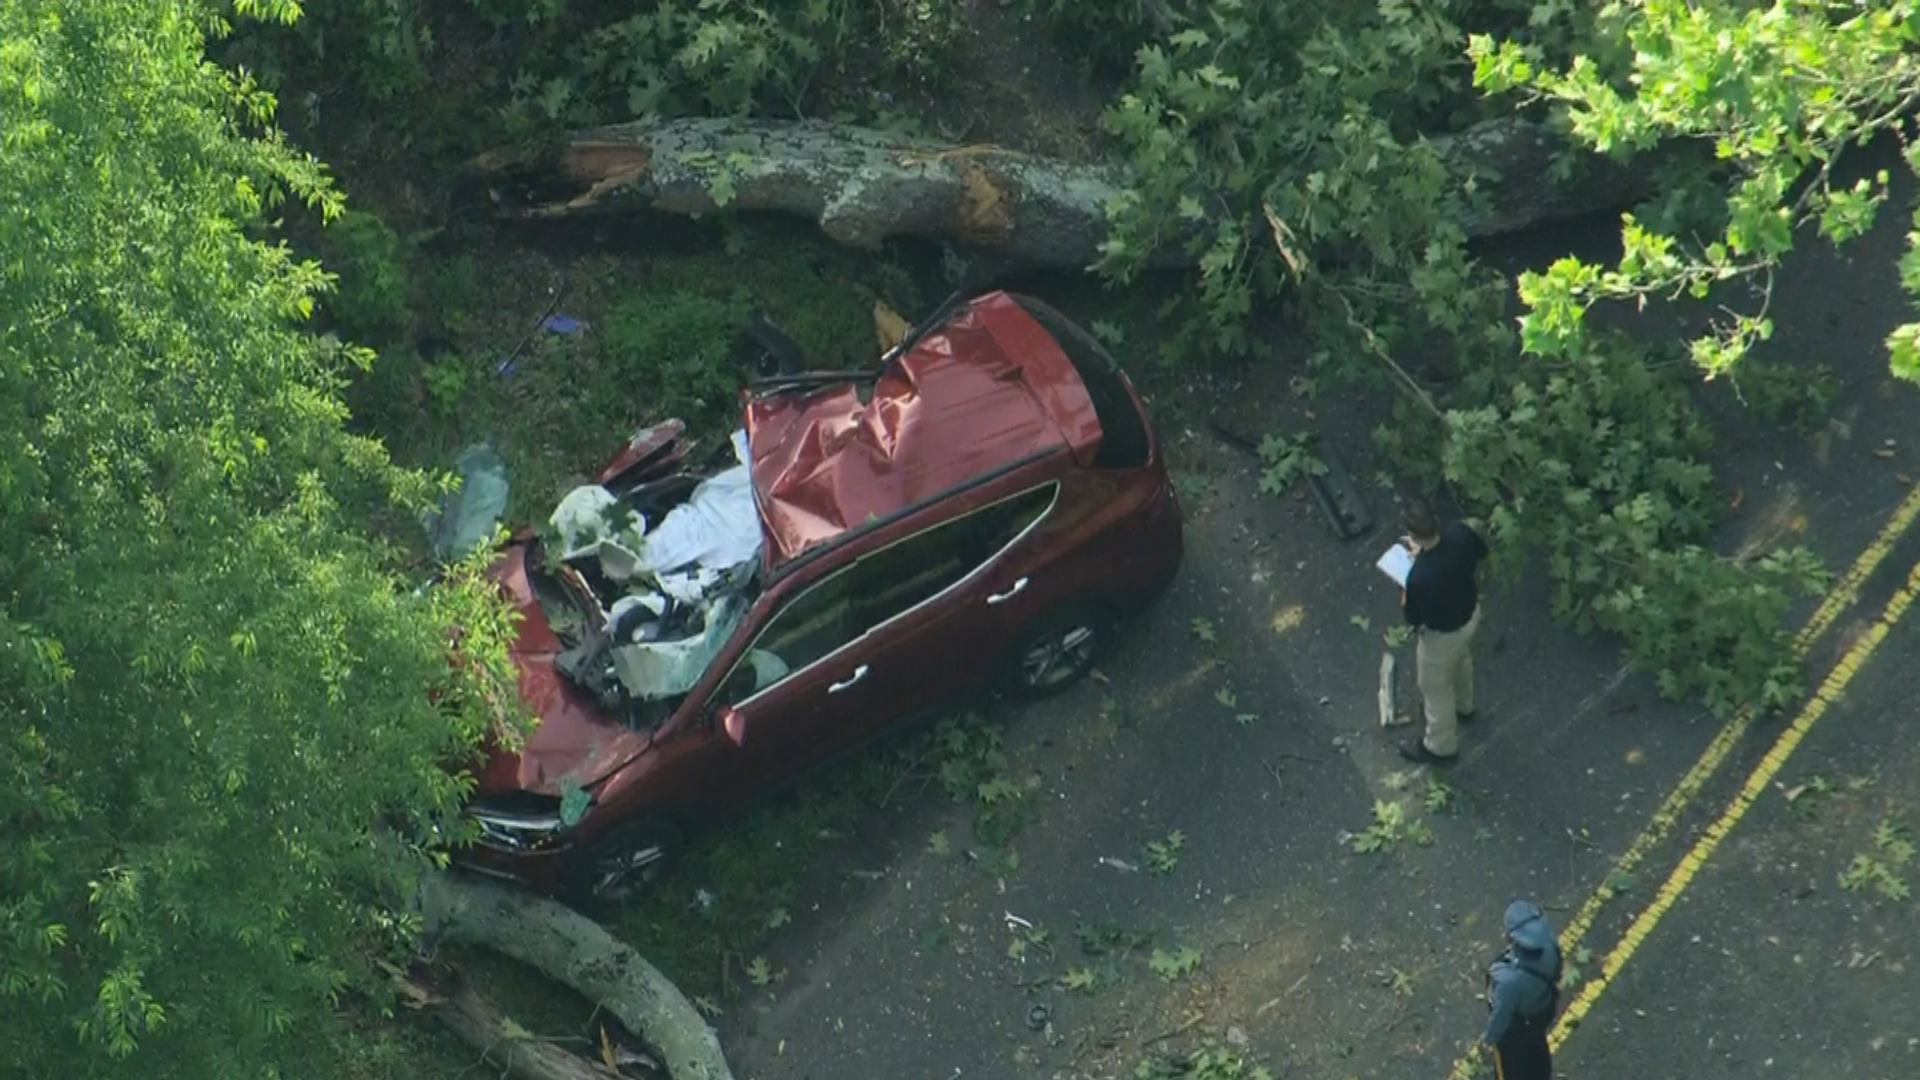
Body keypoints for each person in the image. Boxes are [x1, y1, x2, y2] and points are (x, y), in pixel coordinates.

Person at [1396, 498, 1487, 765]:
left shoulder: (1419, 577)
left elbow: (1413, 616)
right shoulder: (1461, 535)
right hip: (1470, 614)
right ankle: (1465, 706)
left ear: (1412, 536)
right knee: (1461, 660)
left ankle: (1440, 747)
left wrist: (1405, 587)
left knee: (1435, 689)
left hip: (1442, 635)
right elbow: (1479, 552)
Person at [1481, 899, 1563, 1080]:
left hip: (1514, 1031)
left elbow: (1501, 1015)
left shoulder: (1508, 979)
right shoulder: (1551, 948)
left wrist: (1488, 1040)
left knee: (1511, 1070)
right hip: (1539, 1017)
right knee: (1538, 1054)